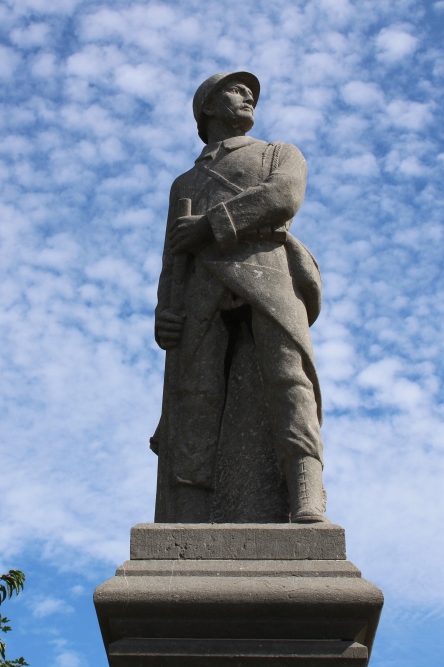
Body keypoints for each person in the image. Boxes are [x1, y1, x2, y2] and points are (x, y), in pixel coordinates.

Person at [151, 71, 328, 524]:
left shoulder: (278, 154)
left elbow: (284, 196)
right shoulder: (184, 184)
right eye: (234, 89)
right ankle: (187, 514)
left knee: (290, 379)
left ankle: (306, 489)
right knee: (195, 400)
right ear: (207, 107)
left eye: (249, 91)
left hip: (267, 270)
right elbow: (173, 257)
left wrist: (211, 225)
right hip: (199, 292)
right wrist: (164, 311)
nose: (248, 94)